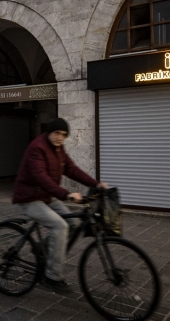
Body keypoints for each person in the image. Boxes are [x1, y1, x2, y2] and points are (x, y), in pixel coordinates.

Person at [12, 118, 108, 293]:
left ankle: (43, 248)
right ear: (49, 132)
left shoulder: (58, 148)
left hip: (47, 196)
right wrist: (67, 194)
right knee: (60, 226)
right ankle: (52, 277)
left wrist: (96, 184)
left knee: (74, 224)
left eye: (64, 135)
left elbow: (71, 169)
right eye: (57, 133)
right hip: (28, 198)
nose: (60, 138)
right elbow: (40, 177)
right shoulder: (37, 148)